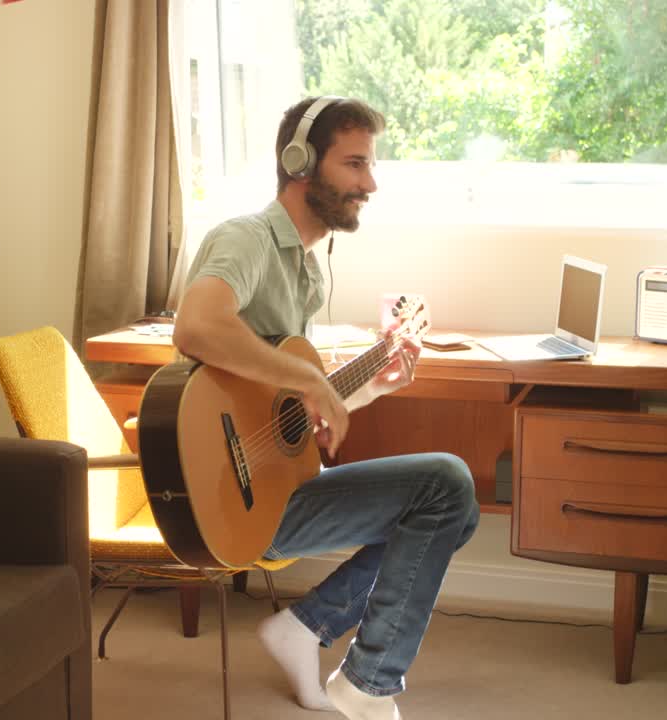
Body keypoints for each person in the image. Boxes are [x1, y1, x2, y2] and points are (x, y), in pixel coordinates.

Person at [171, 96, 481, 720]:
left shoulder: (305, 272)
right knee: (446, 483)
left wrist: (371, 385)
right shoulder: (247, 240)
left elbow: (286, 414)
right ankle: (367, 683)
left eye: (370, 165)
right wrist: (307, 379)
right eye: (355, 164)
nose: (370, 184)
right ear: (300, 163)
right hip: (226, 500)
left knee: (454, 506)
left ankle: (307, 626)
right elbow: (196, 326)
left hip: (271, 485)